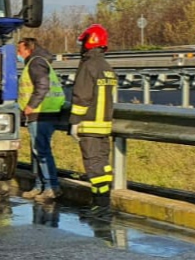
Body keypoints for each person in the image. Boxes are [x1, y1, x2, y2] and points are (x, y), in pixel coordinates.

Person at [69, 24, 119, 219]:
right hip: (104, 126)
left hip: (89, 125)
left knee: (93, 166)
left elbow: (81, 97)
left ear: (89, 42)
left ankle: (100, 206)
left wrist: (74, 122)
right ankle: (103, 202)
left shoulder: (88, 66)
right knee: (103, 165)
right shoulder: (107, 67)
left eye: (83, 42)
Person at [16, 37, 67, 202]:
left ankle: (52, 187)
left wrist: (31, 105)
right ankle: (40, 186)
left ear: (28, 49)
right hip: (43, 112)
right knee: (37, 151)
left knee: (42, 151)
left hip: (41, 112)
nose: (18, 54)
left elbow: (42, 85)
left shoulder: (36, 63)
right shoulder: (37, 62)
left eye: (20, 50)